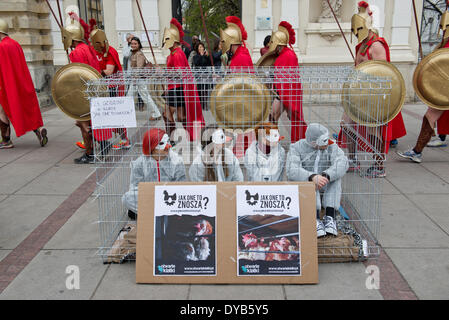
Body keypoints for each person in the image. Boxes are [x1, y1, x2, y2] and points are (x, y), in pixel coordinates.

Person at [338, 1, 406, 177]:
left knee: (373, 131)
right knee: (346, 125)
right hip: (358, 95)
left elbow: (385, 74)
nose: (356, 33)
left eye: (359, 29)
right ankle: (353, 160)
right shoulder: (361, 46)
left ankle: (379, 165)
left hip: (373, 97)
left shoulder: (376, 46)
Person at [397, 6, 449, 163]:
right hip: (444, 91)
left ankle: (417, 151)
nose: (444, 29)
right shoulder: (444, 44)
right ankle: (417, 151)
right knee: (429, 117)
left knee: (429, 117)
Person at [286, 123, 348, 238]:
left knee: (336, 179)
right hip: (305, 186)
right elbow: (291, 169)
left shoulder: (332, 146)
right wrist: (311, 177)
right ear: (314, 143)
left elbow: (342, 163)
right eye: (324, 140)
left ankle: (330, 216)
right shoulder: (296, 148)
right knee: (310, 184)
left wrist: (327, 175)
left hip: (324, 182)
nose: (328, 142)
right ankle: (314, 218)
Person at [0, 18, 48, 149]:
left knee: (3, 111)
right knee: (26, 108)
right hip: (21, 81)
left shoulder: (1, 46)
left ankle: (6, 140)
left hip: (8, 84)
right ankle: (39, 129)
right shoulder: (15, 43)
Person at [122, 128, 186, 220]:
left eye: (168, 141)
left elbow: (181, 186)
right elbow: (135, 187)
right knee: (127, 198)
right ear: (151, 146)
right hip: (150, 198)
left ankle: (151, 214)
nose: (167, 146)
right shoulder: (139, 163)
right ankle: (158, 213)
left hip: (170, 198)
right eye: (161, 144)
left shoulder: (176, 161)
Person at [259, 21, 307, 143]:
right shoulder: (282, 55)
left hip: (288, 93)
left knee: (294, 119)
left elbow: (289, 78)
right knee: (273, 116)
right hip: (281, 93)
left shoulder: (289, 55)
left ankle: (300, 142)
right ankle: (273, 142)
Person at [162, 18, 205, 143]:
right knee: (170, 115)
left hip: (177, 88)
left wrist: (164, 73)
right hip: (172, 88)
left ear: (174, 40)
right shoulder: (173, 53)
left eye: (167, 39)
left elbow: (181, 74)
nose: (165, 42)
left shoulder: (177, 54)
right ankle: (176, 138)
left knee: (178, 116)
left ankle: (186, 136)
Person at [90, 22, 131, 151]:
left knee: (116, 116)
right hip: (103, 87)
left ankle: (124, 140)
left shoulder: (110, 51)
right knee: (100, 115)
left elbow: (108, 71)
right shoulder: (97, 51)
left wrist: (92, 73)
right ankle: (93, 139)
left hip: (114, 87)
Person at [126, 36, 161, 121]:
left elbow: (139, 67)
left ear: (139, 44)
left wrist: (135, 78)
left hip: (139, 80)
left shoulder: (139, 54)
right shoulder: (133, 53)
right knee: (129, 96)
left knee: (145, 97)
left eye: (135, 44)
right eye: (132, 43)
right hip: (135, 79)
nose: (133, 45)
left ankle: (156, 113)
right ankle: (126, 114)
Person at [193, 42, 212, 110]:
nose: (201, 48)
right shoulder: (195, 57)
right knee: (200, 89)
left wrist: (207, 56)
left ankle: (205, 103)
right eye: (200, 47)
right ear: (197, 49)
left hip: (206, 75)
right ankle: (200, 103)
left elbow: (209, 64)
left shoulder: (206, 56)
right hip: (199, 75)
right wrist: (201, 56)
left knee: (206, 90)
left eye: (202, 47)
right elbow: (197, 63)